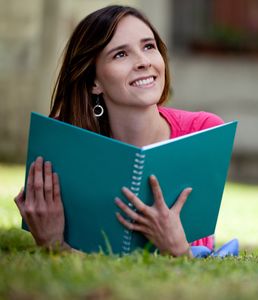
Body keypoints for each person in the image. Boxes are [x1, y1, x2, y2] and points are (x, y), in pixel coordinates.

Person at [13, 5, 230, 257]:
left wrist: (178, 250)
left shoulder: (203, 132)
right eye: (120, 54)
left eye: (149, 46)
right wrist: (53, 244)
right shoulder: (64, 143)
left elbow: (199, 268)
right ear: (94, 81)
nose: (143, 62)